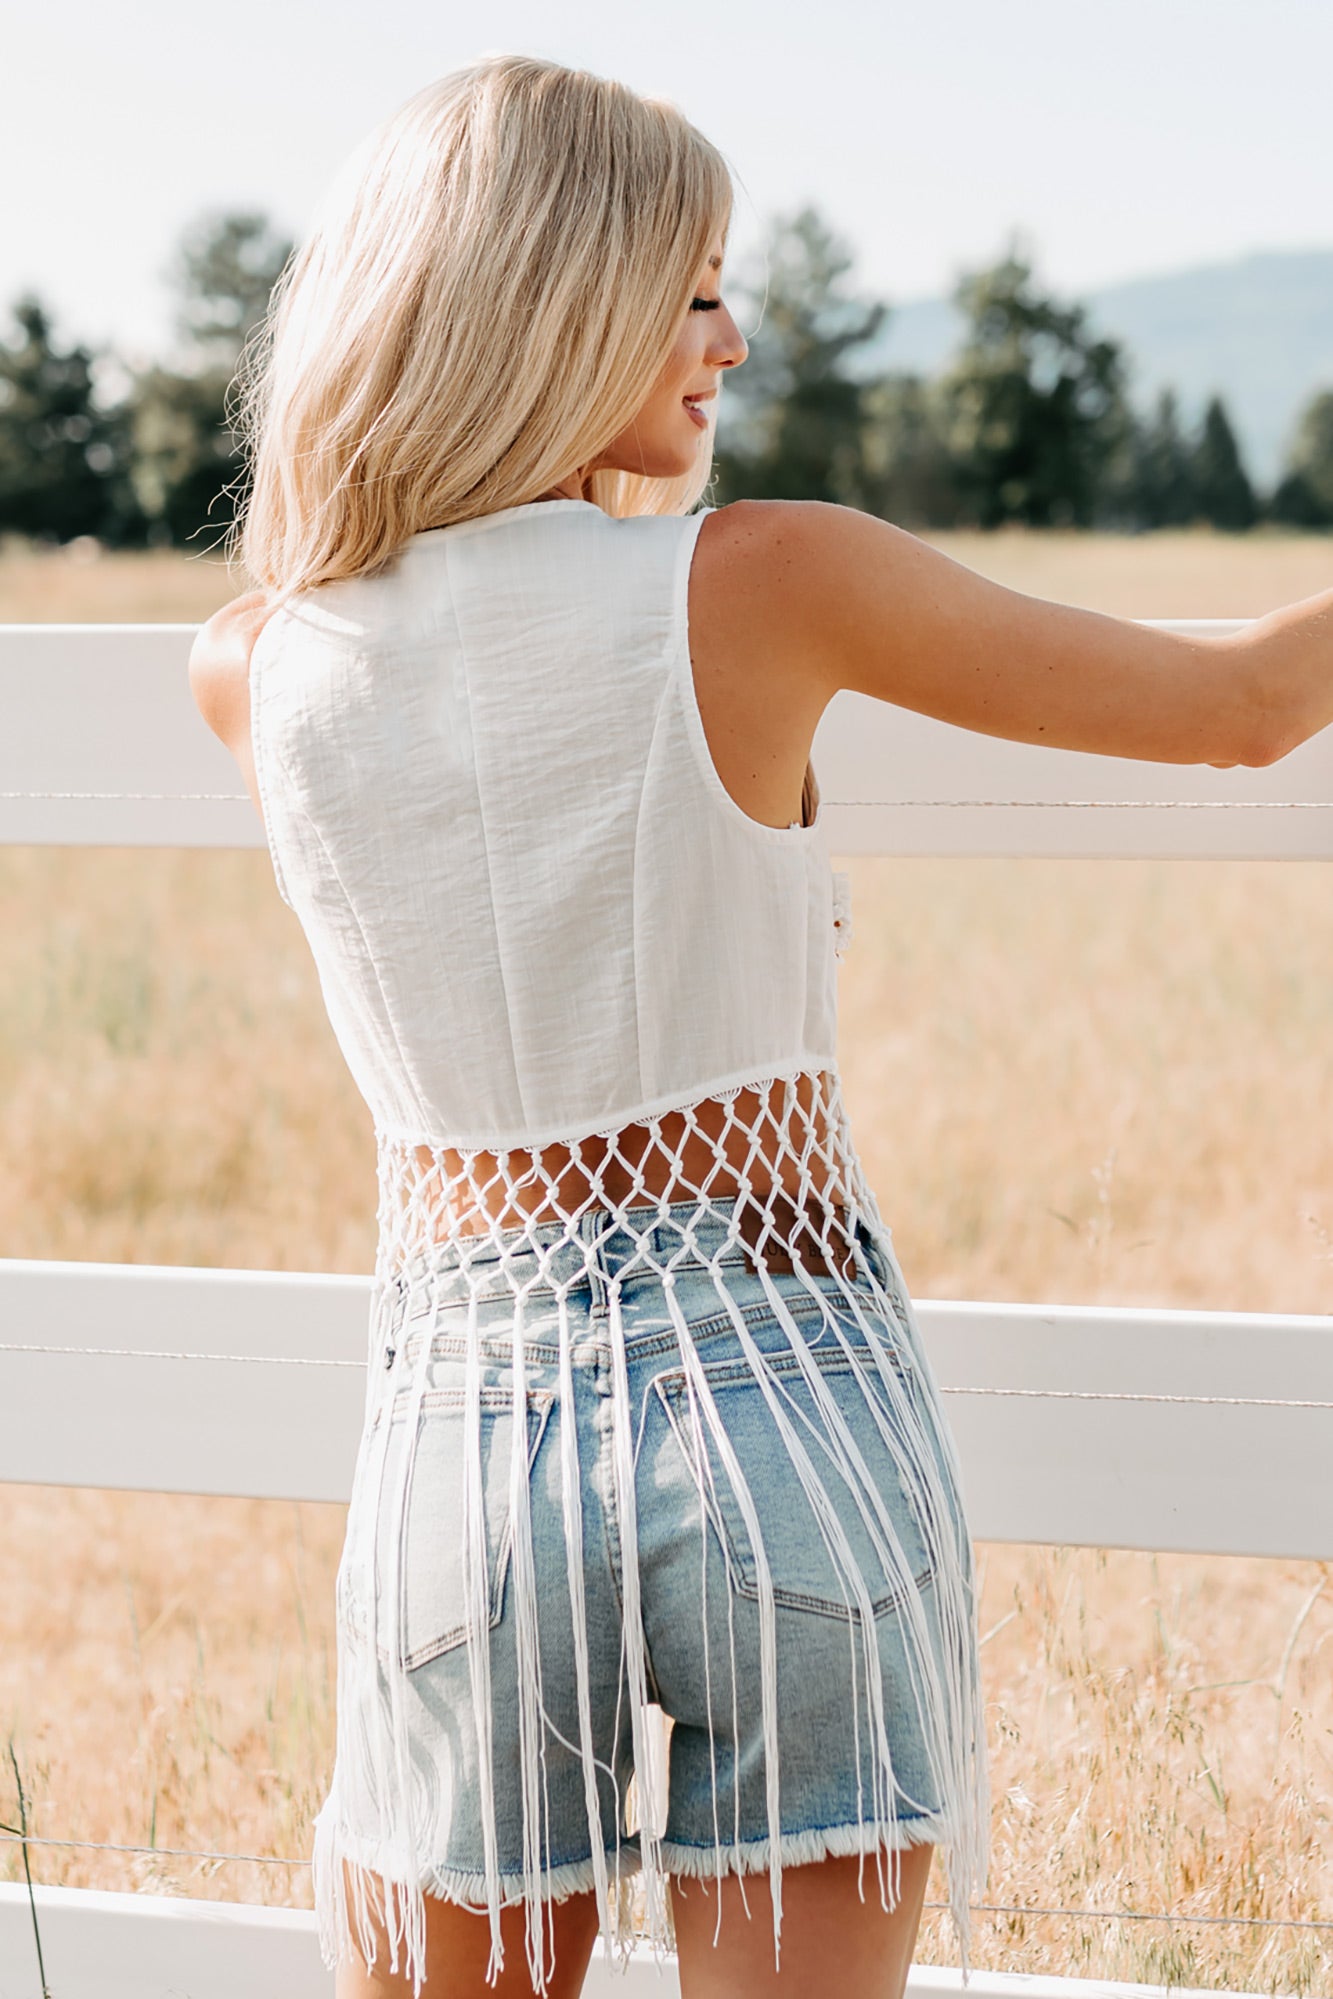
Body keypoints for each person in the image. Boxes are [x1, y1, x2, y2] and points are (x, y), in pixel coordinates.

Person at [189, 53, 1333, 1999]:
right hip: (780, 1392)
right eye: (692, 284)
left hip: (462, 1436)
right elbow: (1235, 705)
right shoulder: (761, 581)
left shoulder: (258, 663)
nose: (731, 334)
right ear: (551, 299)